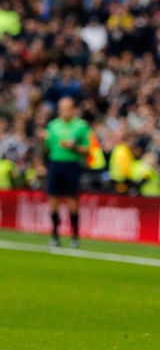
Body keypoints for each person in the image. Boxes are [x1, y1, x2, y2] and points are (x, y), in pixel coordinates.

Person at [44, 97, 90, 248]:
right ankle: (55, 236)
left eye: (67, 108)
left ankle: (75, 237)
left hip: (72, 165)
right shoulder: (53, 126)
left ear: (73, 109)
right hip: (55, 164)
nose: (64, 111)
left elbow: (88, 149)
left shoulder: (81, 126)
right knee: (53, 200)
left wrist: (74, 148)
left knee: (72, 200)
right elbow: (48, 147)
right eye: (61, 108)